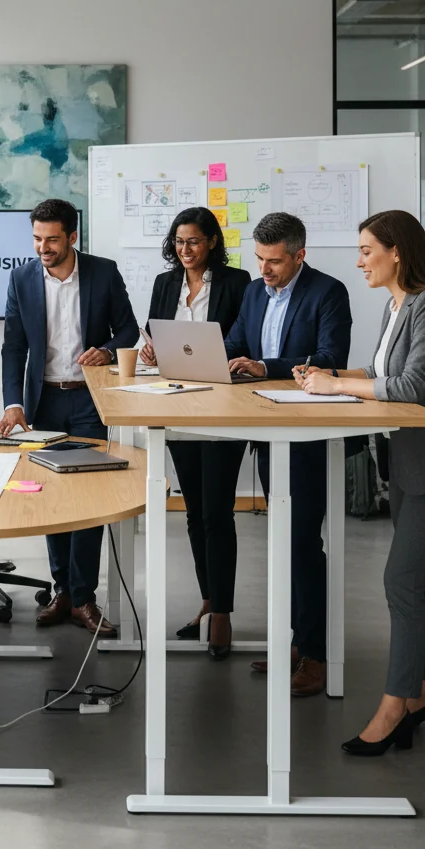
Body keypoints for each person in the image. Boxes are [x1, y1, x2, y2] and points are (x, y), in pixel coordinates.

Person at [298, 210, 425, 753]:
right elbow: (381, 372)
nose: (359, 261)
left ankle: (395, 705)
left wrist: (336, 391)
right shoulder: (395, 304)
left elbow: (411, 384)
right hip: (405, 463)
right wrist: (330, 376)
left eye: (366, 251)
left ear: (396, 251)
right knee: (423, 586)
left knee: (401, 583)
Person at [0, 198, 139, 635]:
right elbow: (13, 346)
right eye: (37, 238)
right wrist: (13, 403)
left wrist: (109, 350)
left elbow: (130, 329)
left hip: (90, 399)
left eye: (52, 239)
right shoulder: (21, 278)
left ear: (72, 237)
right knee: (53, 498)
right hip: (44, 403)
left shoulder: (103, 272)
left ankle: (84, 598)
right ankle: (62, 592)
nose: (43, 247)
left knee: (89, 500)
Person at [224, 211, 352, 697]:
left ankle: (316, 656)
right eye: (259, 259)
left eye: (274, 261)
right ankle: (299, 642)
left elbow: (329, 358)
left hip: (305, 435)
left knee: (302, 544)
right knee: (286, 546)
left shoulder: (328, 292)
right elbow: (237, 340)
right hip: (267, 429)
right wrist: (221, 358)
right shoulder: (255, 293)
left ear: (300, 255)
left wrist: (265, 366)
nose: (264, 270)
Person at [140, 207, 251, 658]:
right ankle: (207, 601)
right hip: (178, 403)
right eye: (179, 242)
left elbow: (247, 337)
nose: (186, 251)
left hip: (223, 405)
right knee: (193, 511)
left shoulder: (238, 282)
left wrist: (220, 353)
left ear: (211, 243)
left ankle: (222, 612)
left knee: (218, 512)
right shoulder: (166, 283)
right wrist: (150, 349)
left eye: (194, 242)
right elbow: (155, 331)